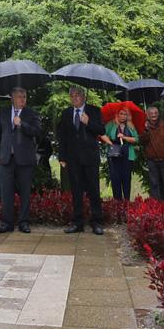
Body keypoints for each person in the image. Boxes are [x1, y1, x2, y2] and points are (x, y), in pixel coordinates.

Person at [56, 86, 106, 235]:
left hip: (90, 157)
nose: (74, 98)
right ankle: (78, 222)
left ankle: (96, 222)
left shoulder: (94, 111)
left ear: (83, 96)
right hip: (73, 159)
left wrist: (88, 122)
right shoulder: (66, 113)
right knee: (76, 192)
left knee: (93, 191)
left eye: (77, 95)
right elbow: (62, 136)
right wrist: (62, 157)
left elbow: (101, 130)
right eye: (72, 96)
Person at [0, 87, 41, 234]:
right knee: (6, 192)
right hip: (6, 158)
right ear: (12, 98)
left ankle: (24, 222)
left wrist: (22, 124)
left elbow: (37, 132)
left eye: (24, 96)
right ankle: (7, 222)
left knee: (25, 192)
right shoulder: (4, 113)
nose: (22, 99)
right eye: (19, 97)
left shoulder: (31, 113)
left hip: (25, 159)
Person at [140, 106, 164, 201]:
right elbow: (142, 141)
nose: (154, 115)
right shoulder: (144, 127)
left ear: (158, 114)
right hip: (152, 159)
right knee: (154, 183)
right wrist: (146, 130)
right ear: (147, 115)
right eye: (151, 113)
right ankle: (156, 205)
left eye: (155, 113)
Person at [103, 107, 139, 201]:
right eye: (121, 114)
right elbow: (102, 134)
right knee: (115, 178)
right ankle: (117, 202)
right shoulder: (111, 124)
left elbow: (136, 139)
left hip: (127, 153)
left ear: (128, 116)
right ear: (117, 114)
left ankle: (126, 201)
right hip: (114, 153)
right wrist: (110, 143)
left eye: (125, 114)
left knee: (126, 178)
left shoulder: (131, 126)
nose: (123, 116)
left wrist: (124, 137)